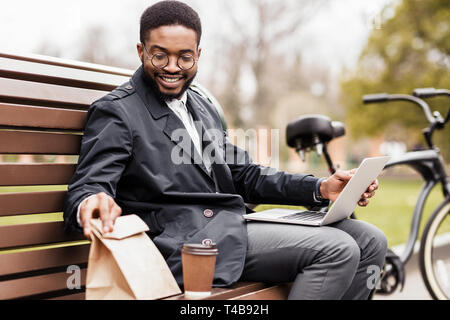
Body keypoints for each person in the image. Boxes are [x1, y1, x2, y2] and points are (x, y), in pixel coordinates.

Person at [63, 0, 387, 300]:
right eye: (159, 55)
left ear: (198, 55)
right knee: (338, 249)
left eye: (184, 57)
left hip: (230, 226)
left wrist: (320, 187)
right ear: (141, 51)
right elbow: (89, 184)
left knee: (372, 241)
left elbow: (244, 174)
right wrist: (92, 202)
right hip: (183, 244)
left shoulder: (200, 106)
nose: (172, 67)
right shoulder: (118, 111)